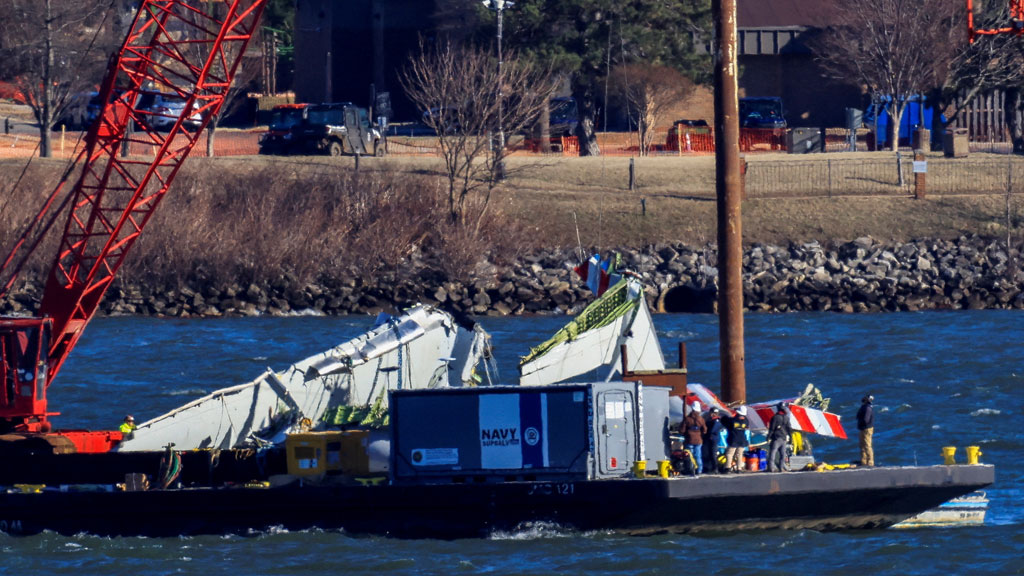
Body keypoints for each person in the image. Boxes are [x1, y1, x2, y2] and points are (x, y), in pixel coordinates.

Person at [681, 402, 707, 475]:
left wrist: (684, 433)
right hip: (699, 440)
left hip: (689, 440)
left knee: (690, 456)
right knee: (698, 456)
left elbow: (682, 430)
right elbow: (705, 430)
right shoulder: (701, 419)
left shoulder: (687, 419)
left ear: (692, 409)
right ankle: (699, 470)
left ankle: (691, 469)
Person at [767, 402, 792, 472]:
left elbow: (771, 429)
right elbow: (789, 428)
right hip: (784, 438)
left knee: (773, 452)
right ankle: (781, 467)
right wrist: (790, 438)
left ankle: (771, 468)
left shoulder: (775, 417)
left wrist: (768, 437)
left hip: (776, 438)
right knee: (782, 454)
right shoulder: (786, 418)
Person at [725, 406, 750, 473]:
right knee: (739, 455)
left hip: (734, 439)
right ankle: (739, 469)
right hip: (742, 440)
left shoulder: (733, 420)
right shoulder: (746, 421)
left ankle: (728, 468)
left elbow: (727, 424)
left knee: (729, 454)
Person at [702, 407, 725, 474]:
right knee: (708, 454)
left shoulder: (716, 421)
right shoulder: (710, 420)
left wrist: (707, 432)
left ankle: (715, 468)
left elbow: (713, 430)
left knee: (713, 454)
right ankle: (709, 467)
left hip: (713, 439)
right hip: (709, 439)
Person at [856, 395, 874, 466]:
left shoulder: (867, 408)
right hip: (863, 428)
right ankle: (863, 461)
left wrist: (861, 423)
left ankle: (870, 462)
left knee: (867, 445)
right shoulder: (864, 407)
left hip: (866, 428)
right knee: (862, 445)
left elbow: (866, 419)